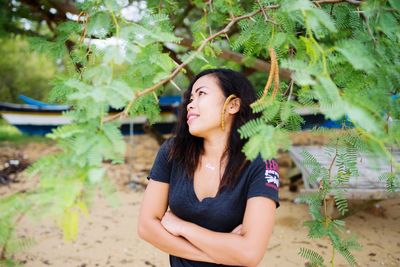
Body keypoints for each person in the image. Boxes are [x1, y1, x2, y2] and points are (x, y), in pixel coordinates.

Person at [138, 68, 280, 267]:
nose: (190, 104)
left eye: (201, 94)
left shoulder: (261, 161)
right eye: (189, 98)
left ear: (233, 105)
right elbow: (146, 227)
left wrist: (181, 227)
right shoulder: (172, 152)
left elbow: (250, 253)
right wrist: (219, 254)